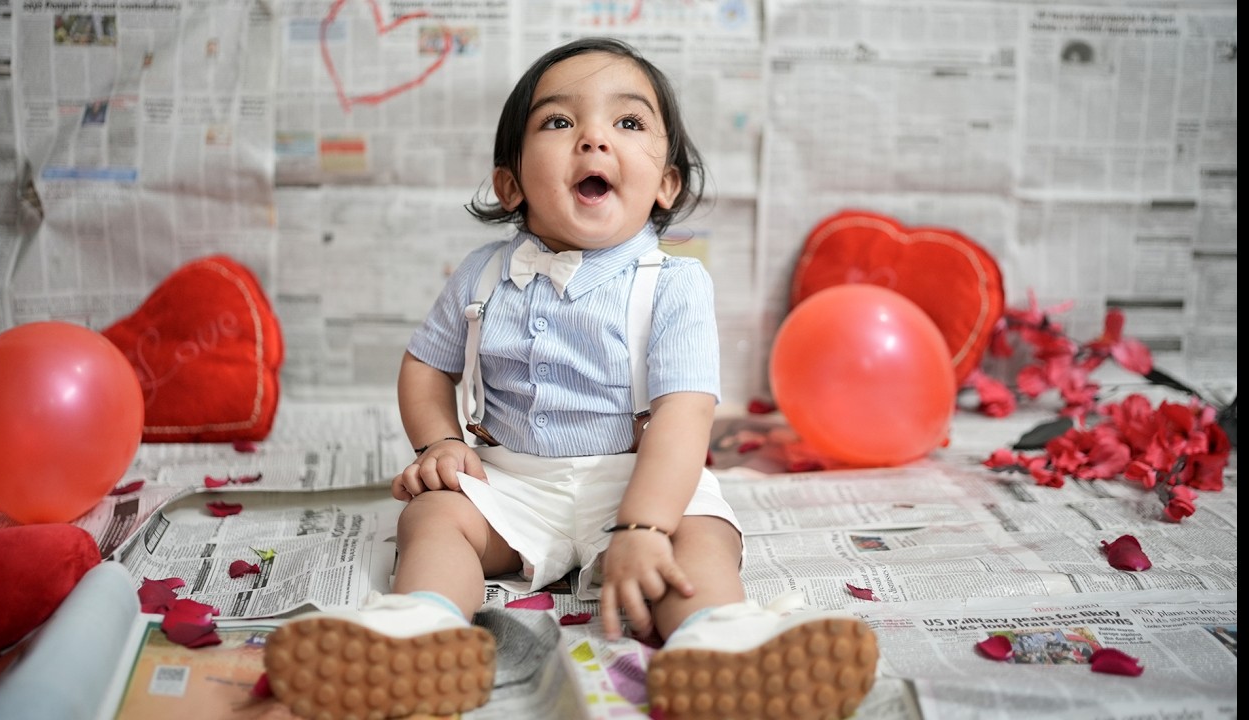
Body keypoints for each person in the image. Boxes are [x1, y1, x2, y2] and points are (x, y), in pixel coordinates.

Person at [263, 36, 878, 720]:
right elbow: (425, 367)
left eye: (628, 122)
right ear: (511, 183)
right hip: (511, 481)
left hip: (638, 478)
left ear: (666, 182)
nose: (592, 138)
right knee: (435, 517)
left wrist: (643, 525)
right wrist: (438, 442)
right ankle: (424, 627)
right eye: (559, 122)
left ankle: (720, 642)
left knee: (698, 538)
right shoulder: (483, 274)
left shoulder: (675, 285)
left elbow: (682, 418)